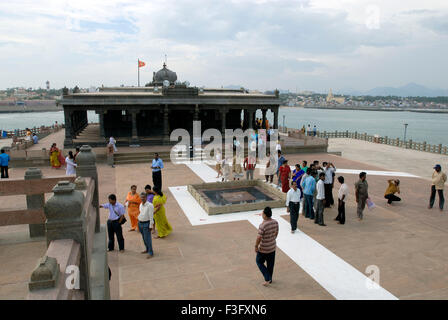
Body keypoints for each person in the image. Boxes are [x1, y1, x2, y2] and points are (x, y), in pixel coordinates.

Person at [255, 207, 279, 286]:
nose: (262, 214)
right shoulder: (275, 222)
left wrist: (256, 246)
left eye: (262, 213)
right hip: (272, 247)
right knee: (270, 264)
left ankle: (267, 278)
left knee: (259, 261)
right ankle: (270, 279)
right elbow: (276, 233)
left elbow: (259, 237)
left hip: (263, 249)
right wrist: (272, 240)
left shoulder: (263, 225)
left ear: (265, 215)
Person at [138, 192, 154, 259]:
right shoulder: (140, 204)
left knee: (147, 239)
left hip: (146, 223)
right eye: (141, 197)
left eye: (144, 197)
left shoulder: (150, 205)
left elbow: (151, 216)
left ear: (146, 197)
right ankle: (147, 249)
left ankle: (150, 252)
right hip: (140, 223)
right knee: (144, 238)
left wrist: (151, 225)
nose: (142, 198)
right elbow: (141, 213)